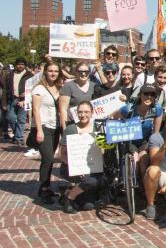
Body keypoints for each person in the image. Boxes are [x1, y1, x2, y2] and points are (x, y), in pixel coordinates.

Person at [59, 101, 101, 213]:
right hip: (72, 168)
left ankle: (70, 191)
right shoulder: (70, 129)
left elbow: (102, 151)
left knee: (88, 206)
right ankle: (69, 198)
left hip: (92, 167)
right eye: (80, 112)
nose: (83, 115)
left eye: (86, 112)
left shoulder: (97, 129)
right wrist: (76, 167)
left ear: (92, 113)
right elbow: (62, 154)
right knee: (91, 181)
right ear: (76, 113)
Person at [33, 62, 64, 204]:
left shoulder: (57, 87)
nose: (53, 73)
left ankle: (44, 187)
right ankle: (44, 188)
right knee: (48, 158)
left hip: (55, 127)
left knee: (49, 159)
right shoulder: (39, 88)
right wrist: (39, 130)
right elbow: (35, 110)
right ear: (45, 72)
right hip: (44, 126)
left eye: (56, 71)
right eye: (50, 71)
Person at [5, 58, 34, 150]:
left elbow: (34, 87)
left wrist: (27, 94)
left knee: (21, 119)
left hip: (24, 99)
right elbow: (5, 89)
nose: (20, 66)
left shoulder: (29, 75)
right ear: (16, 65)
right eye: (18, 64)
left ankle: (19, 138)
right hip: (12, 99)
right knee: (10, 117)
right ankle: (17, 134)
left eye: (22, 64)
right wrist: (4, 102)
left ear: (25, 65)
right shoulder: (10, 74)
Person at [57, 62, 96, 131]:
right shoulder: (68, 86)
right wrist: (65, 129)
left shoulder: (94, 86)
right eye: (80, 71)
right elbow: (63, 110)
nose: (83, 74)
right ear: (76, 72)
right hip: (72, 125)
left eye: (86, 71)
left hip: (90, 126)